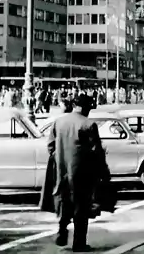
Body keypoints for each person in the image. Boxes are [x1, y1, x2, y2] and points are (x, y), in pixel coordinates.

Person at [46, 93, 108, 251]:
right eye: (89, 107)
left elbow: (50, 146)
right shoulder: (88, 124)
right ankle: (79, 244)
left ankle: (62, 230)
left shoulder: (59, 121)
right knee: (81, 207)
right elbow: (97, 151)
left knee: (64, 202)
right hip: (82, 173)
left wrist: (60, 158)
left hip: (62, 170)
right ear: (84, 107)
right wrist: (103, 172)